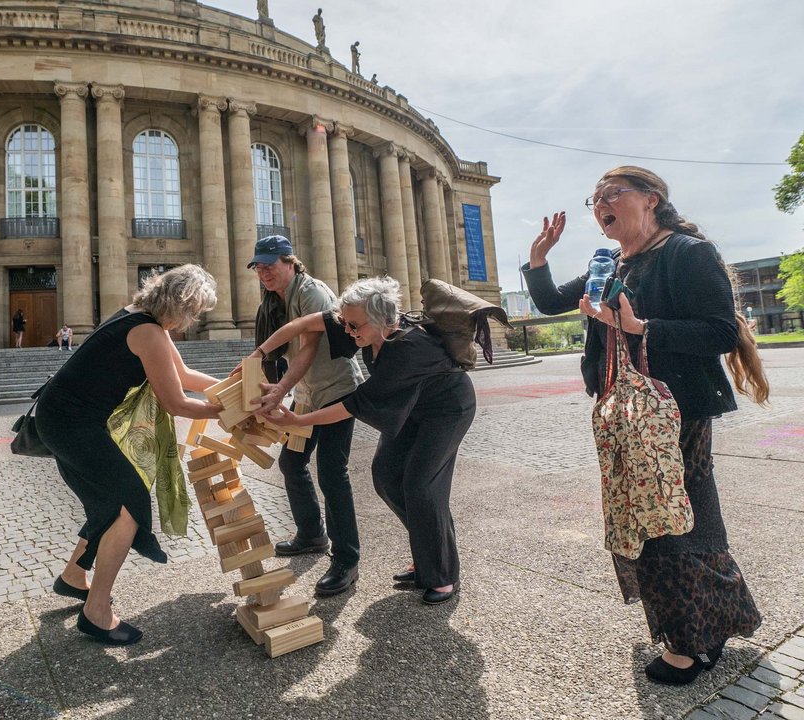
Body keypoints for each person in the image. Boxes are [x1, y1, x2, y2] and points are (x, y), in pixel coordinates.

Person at [522, 166, 767, 685]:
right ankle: (712, 619)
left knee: (676, 519)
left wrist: (640, 327)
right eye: (595, 197)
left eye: (614, 193)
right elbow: (547, 303)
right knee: (647, 517)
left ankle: (695, 640)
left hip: (676, 406)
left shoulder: (685, 253)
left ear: (651, 199)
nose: (601, 204)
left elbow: (720, 331)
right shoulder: (608, 260)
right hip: (626, 406)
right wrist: (538, 260)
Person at [252, 276, 475, 605]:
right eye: (345, 322)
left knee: (421, 485)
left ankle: (441, 573)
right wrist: (260, 353)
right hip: (412, 408)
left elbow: (351, 406)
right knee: (386, 475)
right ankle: (430, 554)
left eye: (354, 325)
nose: (347, 331)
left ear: (383, 319)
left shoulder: (407, 349)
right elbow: (302, 324)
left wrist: (298, 420)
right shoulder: (358, 322)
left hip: (446, 411)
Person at [35, 265, 222, 645]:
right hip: (71, 425)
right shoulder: (148, 332)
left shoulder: (139, 316)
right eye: (196, 311)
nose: (195, 320)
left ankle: (74, 578)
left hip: (60, 417)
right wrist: (227, 409)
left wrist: (233, 388)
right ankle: (96, 612)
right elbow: (176, 402)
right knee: (128, 504)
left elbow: (183, 374)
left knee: (108, 502)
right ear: (183, 305)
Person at [249, 235, 363, 596]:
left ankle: (347, 559)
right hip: (308, 393)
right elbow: (276, 350)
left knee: (332, 473)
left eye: (270, 264)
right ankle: (313, 535)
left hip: (337, 392)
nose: (264, 272)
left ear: (290, 262)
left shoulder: (312, 292)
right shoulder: (275, 299)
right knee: (292, 462)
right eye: (258, 267)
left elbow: (310, 349)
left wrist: (280, 390)